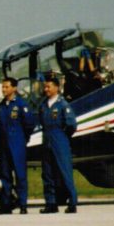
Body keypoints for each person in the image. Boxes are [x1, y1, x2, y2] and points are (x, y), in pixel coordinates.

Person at [38, 76, 78, 214]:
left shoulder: (63, 104)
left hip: (60, 140)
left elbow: (71, 124)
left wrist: (62, 137)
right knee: (47, 174)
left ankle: (72, 203)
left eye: (48, 87)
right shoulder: (43, 105)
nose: (46, 89)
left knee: (65, 172)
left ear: (56, 87)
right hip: (47, 141)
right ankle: (51, 203)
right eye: (45, 87)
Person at [0, 78, 36, 214]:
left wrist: (23, 139)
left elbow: (29, 124)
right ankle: (7, 205)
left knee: (20, 175)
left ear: (14, 88)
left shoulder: (21, 104)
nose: (3, 89)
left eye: (6, 87)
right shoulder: (1, 106)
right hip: (4, 146)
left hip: (17, 144)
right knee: (5, 175)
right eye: (3, 87)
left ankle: (23, 204)